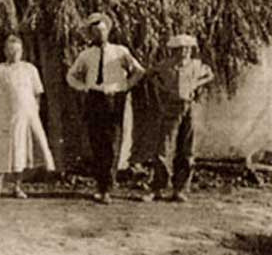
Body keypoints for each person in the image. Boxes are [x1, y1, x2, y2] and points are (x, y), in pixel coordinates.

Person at [66, 12, 146, 204]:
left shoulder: (120, 52)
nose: (100, 34)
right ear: (91, 34)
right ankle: (101, 186)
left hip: (114, 99)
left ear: (108, 31)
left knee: (112, 142)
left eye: (102, 30)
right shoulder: (86, 55)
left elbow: (139, 71)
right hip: (95, 98)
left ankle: (107, 188)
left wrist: (125, 86)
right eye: (95, 31)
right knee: (97, 142)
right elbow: (71, 76)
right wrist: (83, 87)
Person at [140, 34, 214, 203]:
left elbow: (210, 75)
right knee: (163, 148)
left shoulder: (196, 65)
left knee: (186, 149)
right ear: (173, 50)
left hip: (190, 108)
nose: (184, 52)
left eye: (187, 49)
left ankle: (180, 189)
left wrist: (197, 84)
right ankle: (158, 188)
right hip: (171, 107)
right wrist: (163, 88)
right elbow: (150, 74)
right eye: (180, 49)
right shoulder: (166, 66)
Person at [0, 35, 54, 201]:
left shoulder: (30, 69)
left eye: (17, 50)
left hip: (24, 117)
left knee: (20, 151)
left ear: (22, 51)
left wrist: (32, 113)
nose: (14, 53)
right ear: (5, 51)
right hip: (3, 117)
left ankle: (17, 187)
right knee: (0, 152)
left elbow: (37, 94)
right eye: (10, 49)